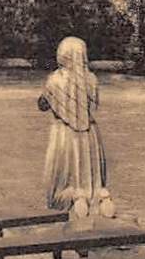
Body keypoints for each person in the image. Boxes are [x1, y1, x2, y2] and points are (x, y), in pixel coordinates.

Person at [37, 36, 115, 221]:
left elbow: (42, 104)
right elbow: (93, 103)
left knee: (66, 170)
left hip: (64, 133)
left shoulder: (55, 80)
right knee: (90, 171)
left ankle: (73, 196)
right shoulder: (91, 79)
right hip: (90, 134)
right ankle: (98, 197)